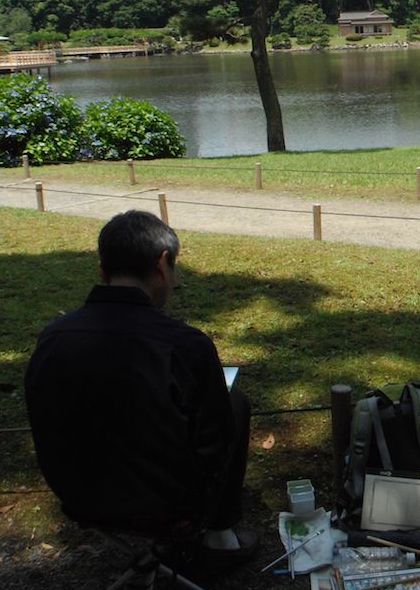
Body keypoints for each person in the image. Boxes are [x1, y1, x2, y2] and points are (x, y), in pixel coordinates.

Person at [24, 209, 258, 560]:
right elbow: (214, 441)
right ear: (163, 265)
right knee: (233, 403)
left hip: (78, 498)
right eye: (174, 270)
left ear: (102, 271)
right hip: (167, 508)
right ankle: (219, 535)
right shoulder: (184, 344)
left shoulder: (53, 337)